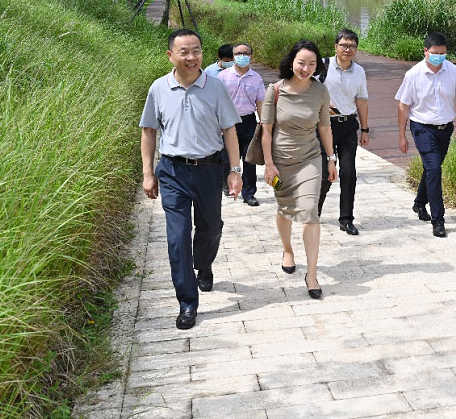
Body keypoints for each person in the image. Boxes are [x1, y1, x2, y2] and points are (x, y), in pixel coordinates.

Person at [140, 29, 243, 330]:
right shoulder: (158, 88)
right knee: (178, 237)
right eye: (184, 51)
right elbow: (148, 131)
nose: (191, 56)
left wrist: (234, 171)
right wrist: (148, 173)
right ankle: (187, 302)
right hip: (172, 171)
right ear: (170, 55)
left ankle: (205, 264)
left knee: (211, 228)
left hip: (210, 169)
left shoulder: (215, 87)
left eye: (196, 50)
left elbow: (230, 131)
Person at [260, 40, 338, 299]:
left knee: (309, 212)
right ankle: (287, 250)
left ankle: (312, 274)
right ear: (292, 61)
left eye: (312, 64)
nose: (306, 68)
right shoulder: (275, 90)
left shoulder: (320, 91)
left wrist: (330, 158)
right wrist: (269, 164)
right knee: (283, 208)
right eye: (301, 62)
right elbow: (266, 130)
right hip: (279, 162)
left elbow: (325, 127)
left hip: (310, 159)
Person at [395, 32, 456, 238]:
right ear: (425, 51)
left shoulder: (454, 72)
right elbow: (403, 106)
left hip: (445, 128)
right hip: (421, 127)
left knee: (433, 168)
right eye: (435, 53)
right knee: (434, 168)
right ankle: (438, 220)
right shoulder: (413, 75)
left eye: (443, 53)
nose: (439, 57)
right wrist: (402, 135)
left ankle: (419, 203)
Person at [318, 28, 370, 235]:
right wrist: (322, 105)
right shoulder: (322, 65)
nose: (348, 50)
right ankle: (315, 210)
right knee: (324, 175)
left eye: (352, 46)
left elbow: (362, 100)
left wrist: (365, 129)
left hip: (348, 125)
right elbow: (305, 89)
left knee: (349, 173)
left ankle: (346, 219)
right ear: (335, 46)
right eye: (344, 45)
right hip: (324, 127)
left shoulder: (359, 71)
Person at [217, 42, 267, 206]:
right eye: (238, 53)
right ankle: (227, 184)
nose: (242, 56)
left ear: (250, 56)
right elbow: (217, 102)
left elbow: (260, 103)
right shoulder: (223, 77)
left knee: (249, 158)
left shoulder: (257, 78)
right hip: (228, 122)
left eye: (245, 53)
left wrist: (264, 125)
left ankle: (249, 193)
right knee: (226, 157)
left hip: (249, 121)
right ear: (233, 56)